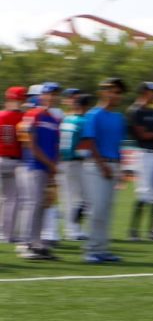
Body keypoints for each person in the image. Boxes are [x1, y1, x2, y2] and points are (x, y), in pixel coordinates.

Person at [81, 78, 126, 263]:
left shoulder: (119, 118)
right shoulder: (93, 114)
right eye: (111, 91)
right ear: (103, 92)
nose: (114, 95)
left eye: (117, 92)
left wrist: (120, 169)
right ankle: (91, 250)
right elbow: (89, 142)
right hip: (95, 166)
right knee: (97, 209)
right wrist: (102, 165)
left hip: (113, 165)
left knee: (107, 210)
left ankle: (102, 249)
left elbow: (118, 145)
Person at [16, 82, 62, 260]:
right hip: (32, 166)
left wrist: (53, 166)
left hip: (47, 168)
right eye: (49, 93)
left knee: (42, 206)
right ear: (42, 96)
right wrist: (49, 164)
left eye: (55, 94)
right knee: (32, 205)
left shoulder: (54, 119)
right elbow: (31, 145)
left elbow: (56, 146)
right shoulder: (32, 115)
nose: (52, 97)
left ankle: (38, 244)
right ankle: (25, 244)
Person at [126, 81, 153, 241]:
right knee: (144, 193)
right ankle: (133, 230)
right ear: (144, 92)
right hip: (143, 154)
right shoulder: (135, 110)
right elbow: (142, 135)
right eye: (152, 92)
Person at [58, 92, 93, 241]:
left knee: (69, 198)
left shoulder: (66, 119)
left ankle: (72, 229)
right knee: (83, 199)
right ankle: (73, 230)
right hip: (77, 162)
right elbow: (84, 147)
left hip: (63, 161)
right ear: (86, 106)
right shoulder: (84, 121)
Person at [0, 86, 28, 243]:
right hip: (14, 161)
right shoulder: (23, 118)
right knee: (12, 199)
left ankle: (4, 234)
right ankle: (6, 234)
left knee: (6, 199)